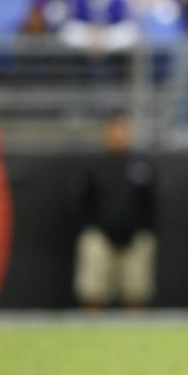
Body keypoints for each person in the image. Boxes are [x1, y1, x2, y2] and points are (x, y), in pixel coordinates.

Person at [72, 114, 156, 309]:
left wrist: (144, 230)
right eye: (114, 131)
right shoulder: (93, 168)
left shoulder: (142, 166)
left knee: (136, 293)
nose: (119, 136)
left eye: (123, 131)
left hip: (134, 239)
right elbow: (81, 205)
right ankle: (90, 335)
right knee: (92, 292)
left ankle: (136, 337)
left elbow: (152, 204)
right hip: (100, 236)